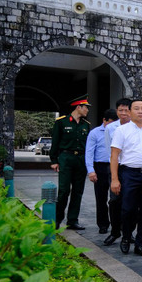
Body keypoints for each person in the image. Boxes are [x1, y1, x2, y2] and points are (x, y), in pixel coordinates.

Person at [109, 99, 142, 256]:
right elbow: (114, 155)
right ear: (129, 112)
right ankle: (126, 237)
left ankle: (141, 243)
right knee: (128, 208)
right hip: (129, 173)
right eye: (136, 108)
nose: (140, 111)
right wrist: (114, 179)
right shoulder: (121, 130)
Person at [50, 95, 91, 230]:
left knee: (78, 191)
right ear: (78, 107)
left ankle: (72, 220)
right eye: (86, 108)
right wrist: (54, 160)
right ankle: (57, 219)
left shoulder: (86, 124)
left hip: (80, 159)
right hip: (66, 158)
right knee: (64, 190)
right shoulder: (62, 122)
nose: (87, 110)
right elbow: (55, 142)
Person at [103, 98, 132, 242]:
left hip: (131, 168)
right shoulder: (110, 128)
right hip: (117, 167)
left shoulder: (136, 127)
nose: (124, 113)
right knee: (114, 200)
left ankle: (128, 232)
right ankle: (115, 232)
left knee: (131, 201)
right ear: (117, 111)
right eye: (121, 110)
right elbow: (110, 151)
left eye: (126, 110)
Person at [85, 109, 118, 234]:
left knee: (116, 198)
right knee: (101, 197)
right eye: (111, 122)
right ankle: (103, 224)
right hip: (100, 167)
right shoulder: (95, 133)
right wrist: (91, 170)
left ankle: (117, 225)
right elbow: (89, 152)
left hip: (115, 166)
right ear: (104, 120)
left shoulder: (119, 130)